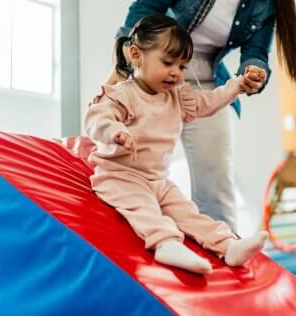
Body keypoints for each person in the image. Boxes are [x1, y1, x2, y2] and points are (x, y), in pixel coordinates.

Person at [108, 0, 296, 231]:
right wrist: (125, 69)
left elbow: (256, 51)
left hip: (204, 80)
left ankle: (226, 256)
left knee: (216, 184)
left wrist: (253, 71)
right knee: (128, 164)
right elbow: (146, 6)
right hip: (153, 72)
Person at [86, 14, 268, 274]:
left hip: (158, 181)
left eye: (182, 66)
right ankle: (165, 244)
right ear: (136, 55)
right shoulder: (123, 94)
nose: (176, 72)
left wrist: (237, 85)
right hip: (120, 176)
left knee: (189, 213)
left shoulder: (176, 97)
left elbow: (210, 102)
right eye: (168, 62)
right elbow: (96, 117)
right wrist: (115, 131)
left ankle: (227, 246)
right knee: (145, 209)